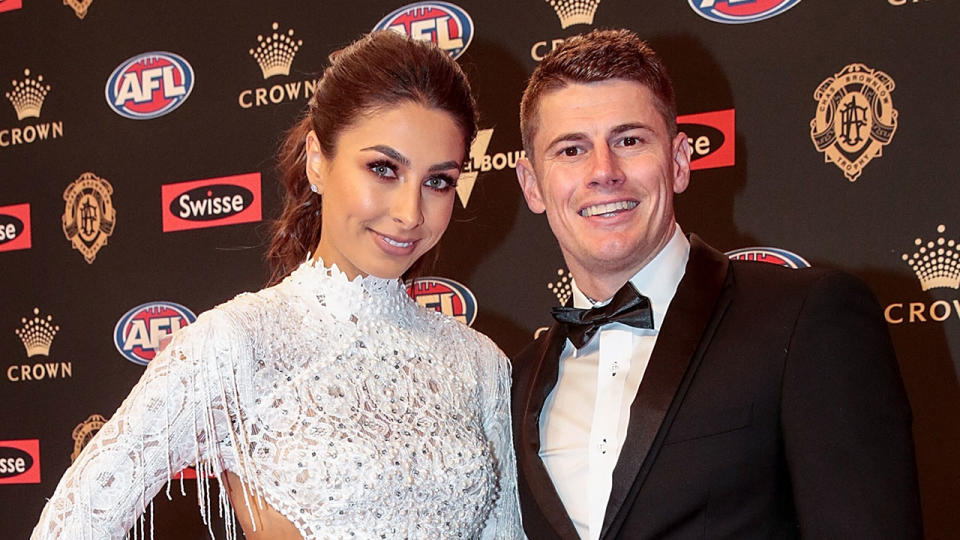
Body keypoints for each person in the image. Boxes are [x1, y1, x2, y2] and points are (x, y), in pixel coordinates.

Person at [32, 31, 522, 540]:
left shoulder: (478, 363)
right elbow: (73, 522)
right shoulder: (237, 345)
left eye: (438, 181)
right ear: (317, 159)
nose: (409, 213)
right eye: (383, 169)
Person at [511, 29, 922, 539]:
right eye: (571, 150)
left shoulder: (804, 320)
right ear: (532, 185)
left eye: (630, 140)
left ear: (679, 161)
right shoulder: (518, 381)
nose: (604, 171)